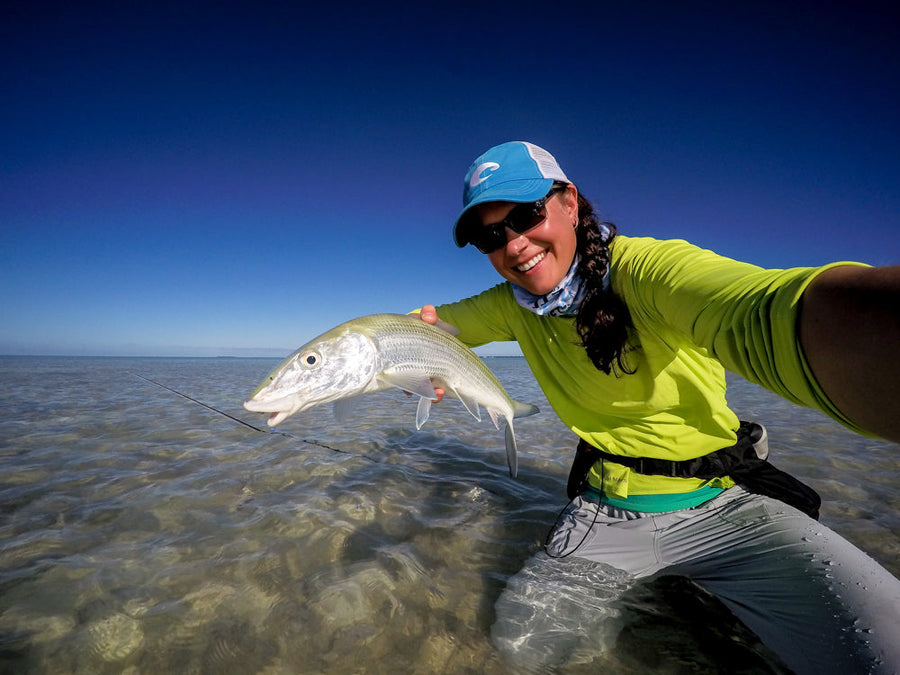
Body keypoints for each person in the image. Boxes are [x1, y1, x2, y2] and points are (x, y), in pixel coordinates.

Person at [417, 141, 900, 673]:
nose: (514, 244)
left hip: (723, 507)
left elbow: (762, 314)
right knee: (520, 648)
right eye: (491, 235)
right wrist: (405, 363)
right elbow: (423, 330)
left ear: (570, 204)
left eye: (527, 215)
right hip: (604, 512)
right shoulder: (511, 307)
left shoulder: (647, 270)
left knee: (886, 645)